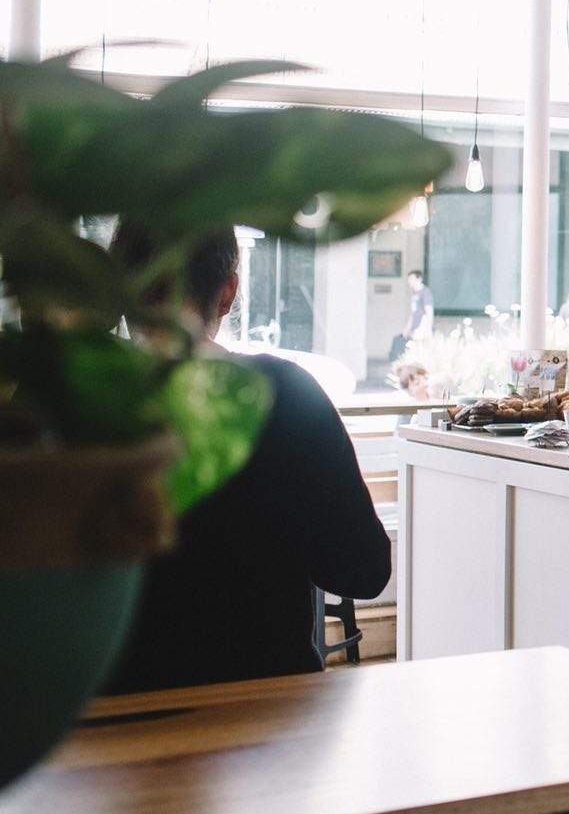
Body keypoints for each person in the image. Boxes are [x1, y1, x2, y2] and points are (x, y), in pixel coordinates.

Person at [105, 223, 392, 693]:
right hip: (264, 718)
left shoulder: (70, 404)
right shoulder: (284, 395)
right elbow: (363, 570)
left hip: (111, 727)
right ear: (229, 292)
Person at [391, 269, 434, 362]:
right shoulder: (415, 294)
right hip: (415, 328)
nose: (409, 282)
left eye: (411, 279)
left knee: (420, 352)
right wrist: (407, 328)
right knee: (414, 351)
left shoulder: (425, 293)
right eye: (409, 279)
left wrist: (428, 329)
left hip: (422, 327)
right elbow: (413, 313)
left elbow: (429, 311)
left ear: (419, 279)